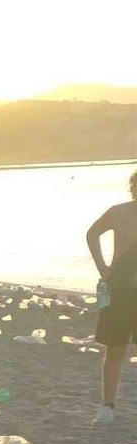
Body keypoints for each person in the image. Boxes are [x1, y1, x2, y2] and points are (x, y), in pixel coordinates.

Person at [88, 169, 137, 423]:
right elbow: (92, 233)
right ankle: (107, 406)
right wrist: (102, 268)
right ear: (133, 189)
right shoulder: (119, 212)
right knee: (115, 348)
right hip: (119, 288)